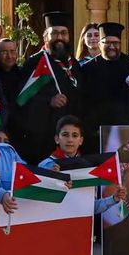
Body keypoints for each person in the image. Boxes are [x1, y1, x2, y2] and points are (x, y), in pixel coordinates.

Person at [16, 13, 83, 159]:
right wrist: (49, 101)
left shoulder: (74, 64)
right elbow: (23, 99)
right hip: (44, 137)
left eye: (64, 33)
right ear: (45, 37)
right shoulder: (35, 63)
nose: (60, 37)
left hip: (71, 138)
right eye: (55, 33)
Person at [82, 21, 129, 134]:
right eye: (107, 42)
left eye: (115, 43)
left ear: (120, 44)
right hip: (97, 129)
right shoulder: (88, 69)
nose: (111, 46)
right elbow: (84, 102)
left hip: (127, 128)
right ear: (100, 44)